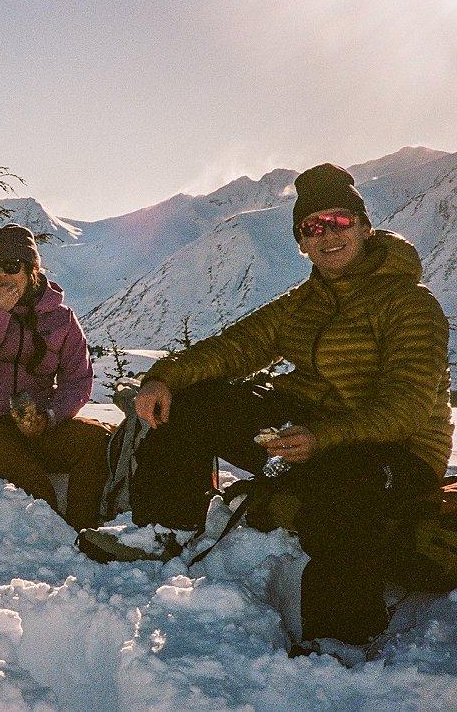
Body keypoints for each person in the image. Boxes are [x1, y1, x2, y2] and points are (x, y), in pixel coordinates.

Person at [130, 163, 451, 651]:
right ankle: (166, 529)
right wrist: (163, 377)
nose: (326, 235)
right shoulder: (304, 302)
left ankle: (341, 634)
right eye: (311, 226)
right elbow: (236, 346)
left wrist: (324, 439)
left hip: (397, 451)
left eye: (339, 221)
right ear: (302, 241)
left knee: (345, 488)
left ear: (364, 227)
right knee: (195, 401)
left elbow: (405, 408)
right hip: (309, 432)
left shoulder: (409, 304)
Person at [0, 224, 113, 530]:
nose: (1, 276)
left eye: (11, 267)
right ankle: (56, 541)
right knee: (37, 489)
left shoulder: (60, 318)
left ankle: (85, 531)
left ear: (32, 270)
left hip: (36, 423)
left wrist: (50, 417)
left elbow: (78, 380)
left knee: (97, 442)